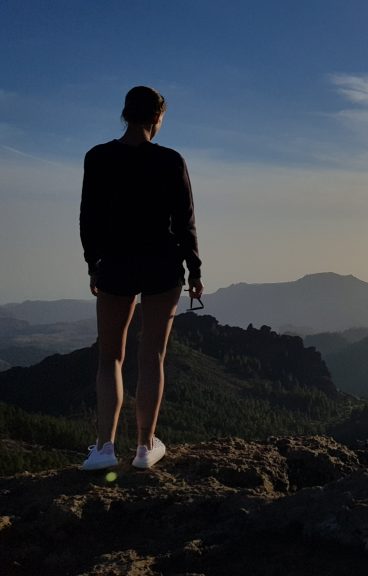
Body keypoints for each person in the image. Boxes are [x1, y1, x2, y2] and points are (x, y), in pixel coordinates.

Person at [79, 86, 203, 470]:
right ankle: (145, 448)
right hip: (161, 266)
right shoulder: (171, 161)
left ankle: (103, 449)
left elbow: (89, 218)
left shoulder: (98, 158)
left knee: (109, 358)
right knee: (152, 357)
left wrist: (92, 264)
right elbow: (185, 223)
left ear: (125, 114)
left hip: (115, 264)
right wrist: (195, 271)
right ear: (156, 118)